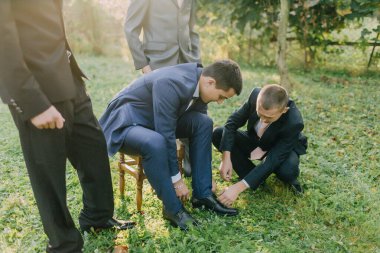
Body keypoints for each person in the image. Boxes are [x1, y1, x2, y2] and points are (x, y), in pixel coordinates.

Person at [0, 1, 135, 252]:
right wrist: (32, 103)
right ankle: (64, 244)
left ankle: (97, 217)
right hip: (37, 89)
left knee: (93, 147)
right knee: (49, 173)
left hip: (68, 77)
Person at [99, 60, 242, 230]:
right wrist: (177, 180)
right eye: (221, 97)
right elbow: (165, 134)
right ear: (210, 82)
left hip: (153, 120)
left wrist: (205, 176)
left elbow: (195, 126)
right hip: (127, 121)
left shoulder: (200, 83)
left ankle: (202, 196)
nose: (220, 102)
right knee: (155, 142)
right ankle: (173, 209)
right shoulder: (173, 82)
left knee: (203, 122)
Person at [212, 84, 307, 207]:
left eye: (269, 117)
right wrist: (226, 158)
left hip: (280, 149)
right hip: (255, 140)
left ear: (284, 110)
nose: (263, 120)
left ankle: (257, 179)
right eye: (260, 114)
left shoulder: (294, 122)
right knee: (218, 134)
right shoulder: (255, 95)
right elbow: (231, 124)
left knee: (287, 171)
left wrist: (237, 189)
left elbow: (273, 159)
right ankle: (251, 176)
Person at [124, 0, 201, 74]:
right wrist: (144, 66)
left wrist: (197, 59)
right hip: (157, 63)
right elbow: (130, 29)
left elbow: (192, 28)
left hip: (188, 64)